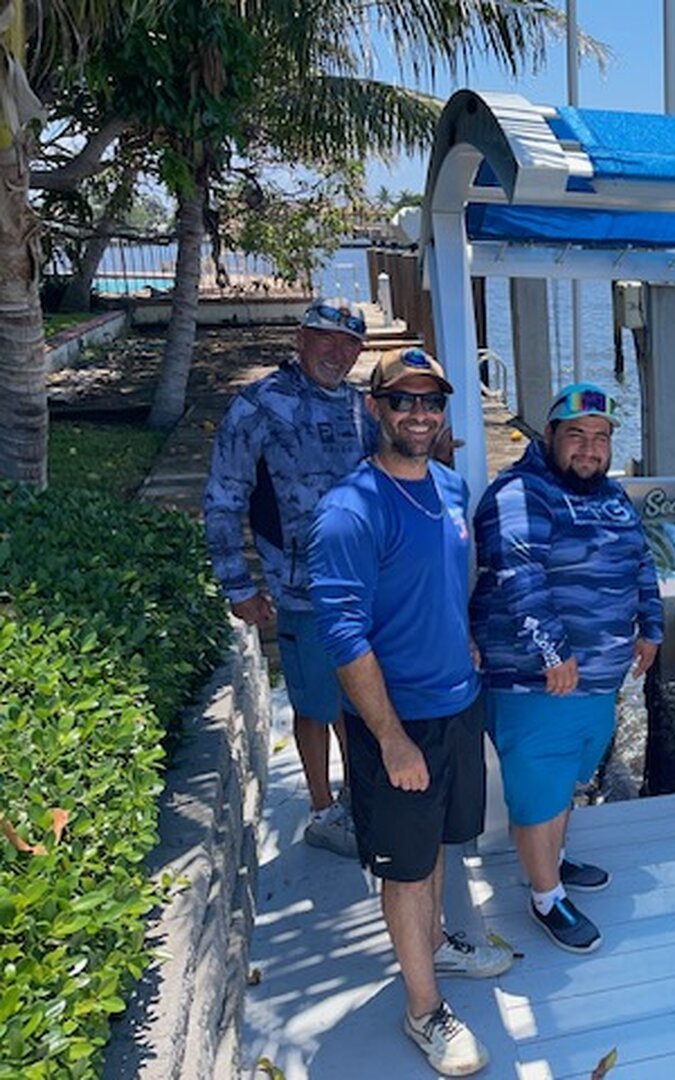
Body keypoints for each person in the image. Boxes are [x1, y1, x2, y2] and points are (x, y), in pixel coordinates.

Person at [309, 348, 511, 1077]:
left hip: (458, 703)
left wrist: (462, 640)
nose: (419, 415)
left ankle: (434, 945)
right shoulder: (349, 511)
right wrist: (391, 739)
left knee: (438, 849)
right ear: (375, 409)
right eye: (403, 401)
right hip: (397, 721)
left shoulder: (451, 487)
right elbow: (343, 635)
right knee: (405, 870)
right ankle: (424, 1010)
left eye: (431, 401)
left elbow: (445, 583)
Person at [470, 382, 663, 955]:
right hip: (536, 681)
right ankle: (545, 896)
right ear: (549, 434)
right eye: (576, 435)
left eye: (600, 437)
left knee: (566, 780)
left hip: (597, 681)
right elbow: (520, 578)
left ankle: (552, 857)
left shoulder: (613, 495)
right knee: (539, 785)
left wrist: (652, 627)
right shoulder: (519, 493)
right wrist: (554, 653)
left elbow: (642, 560)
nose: (589, 448)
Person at [204, 297, 374, 857]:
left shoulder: (361, 407)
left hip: (365, 591)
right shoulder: (257, 405)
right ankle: (323, 812)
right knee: (315, 705)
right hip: (303, 594)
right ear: (300, 338)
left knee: (359, 699)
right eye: (326, 339)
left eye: (350, 344)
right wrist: (238, 585)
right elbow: (224, 498)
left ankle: (358, 795)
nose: (338, 353)